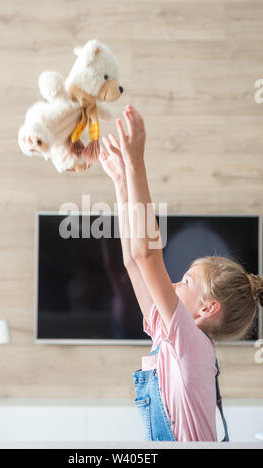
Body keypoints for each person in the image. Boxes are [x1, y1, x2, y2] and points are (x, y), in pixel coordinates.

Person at [98, 104, 263, 442]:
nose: (175, 282)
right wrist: (121, 181)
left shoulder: (192, 343)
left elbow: (146, 255)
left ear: (206, 309)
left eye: (187, 281)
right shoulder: (169, 338)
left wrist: (136, 164)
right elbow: (133, 260)